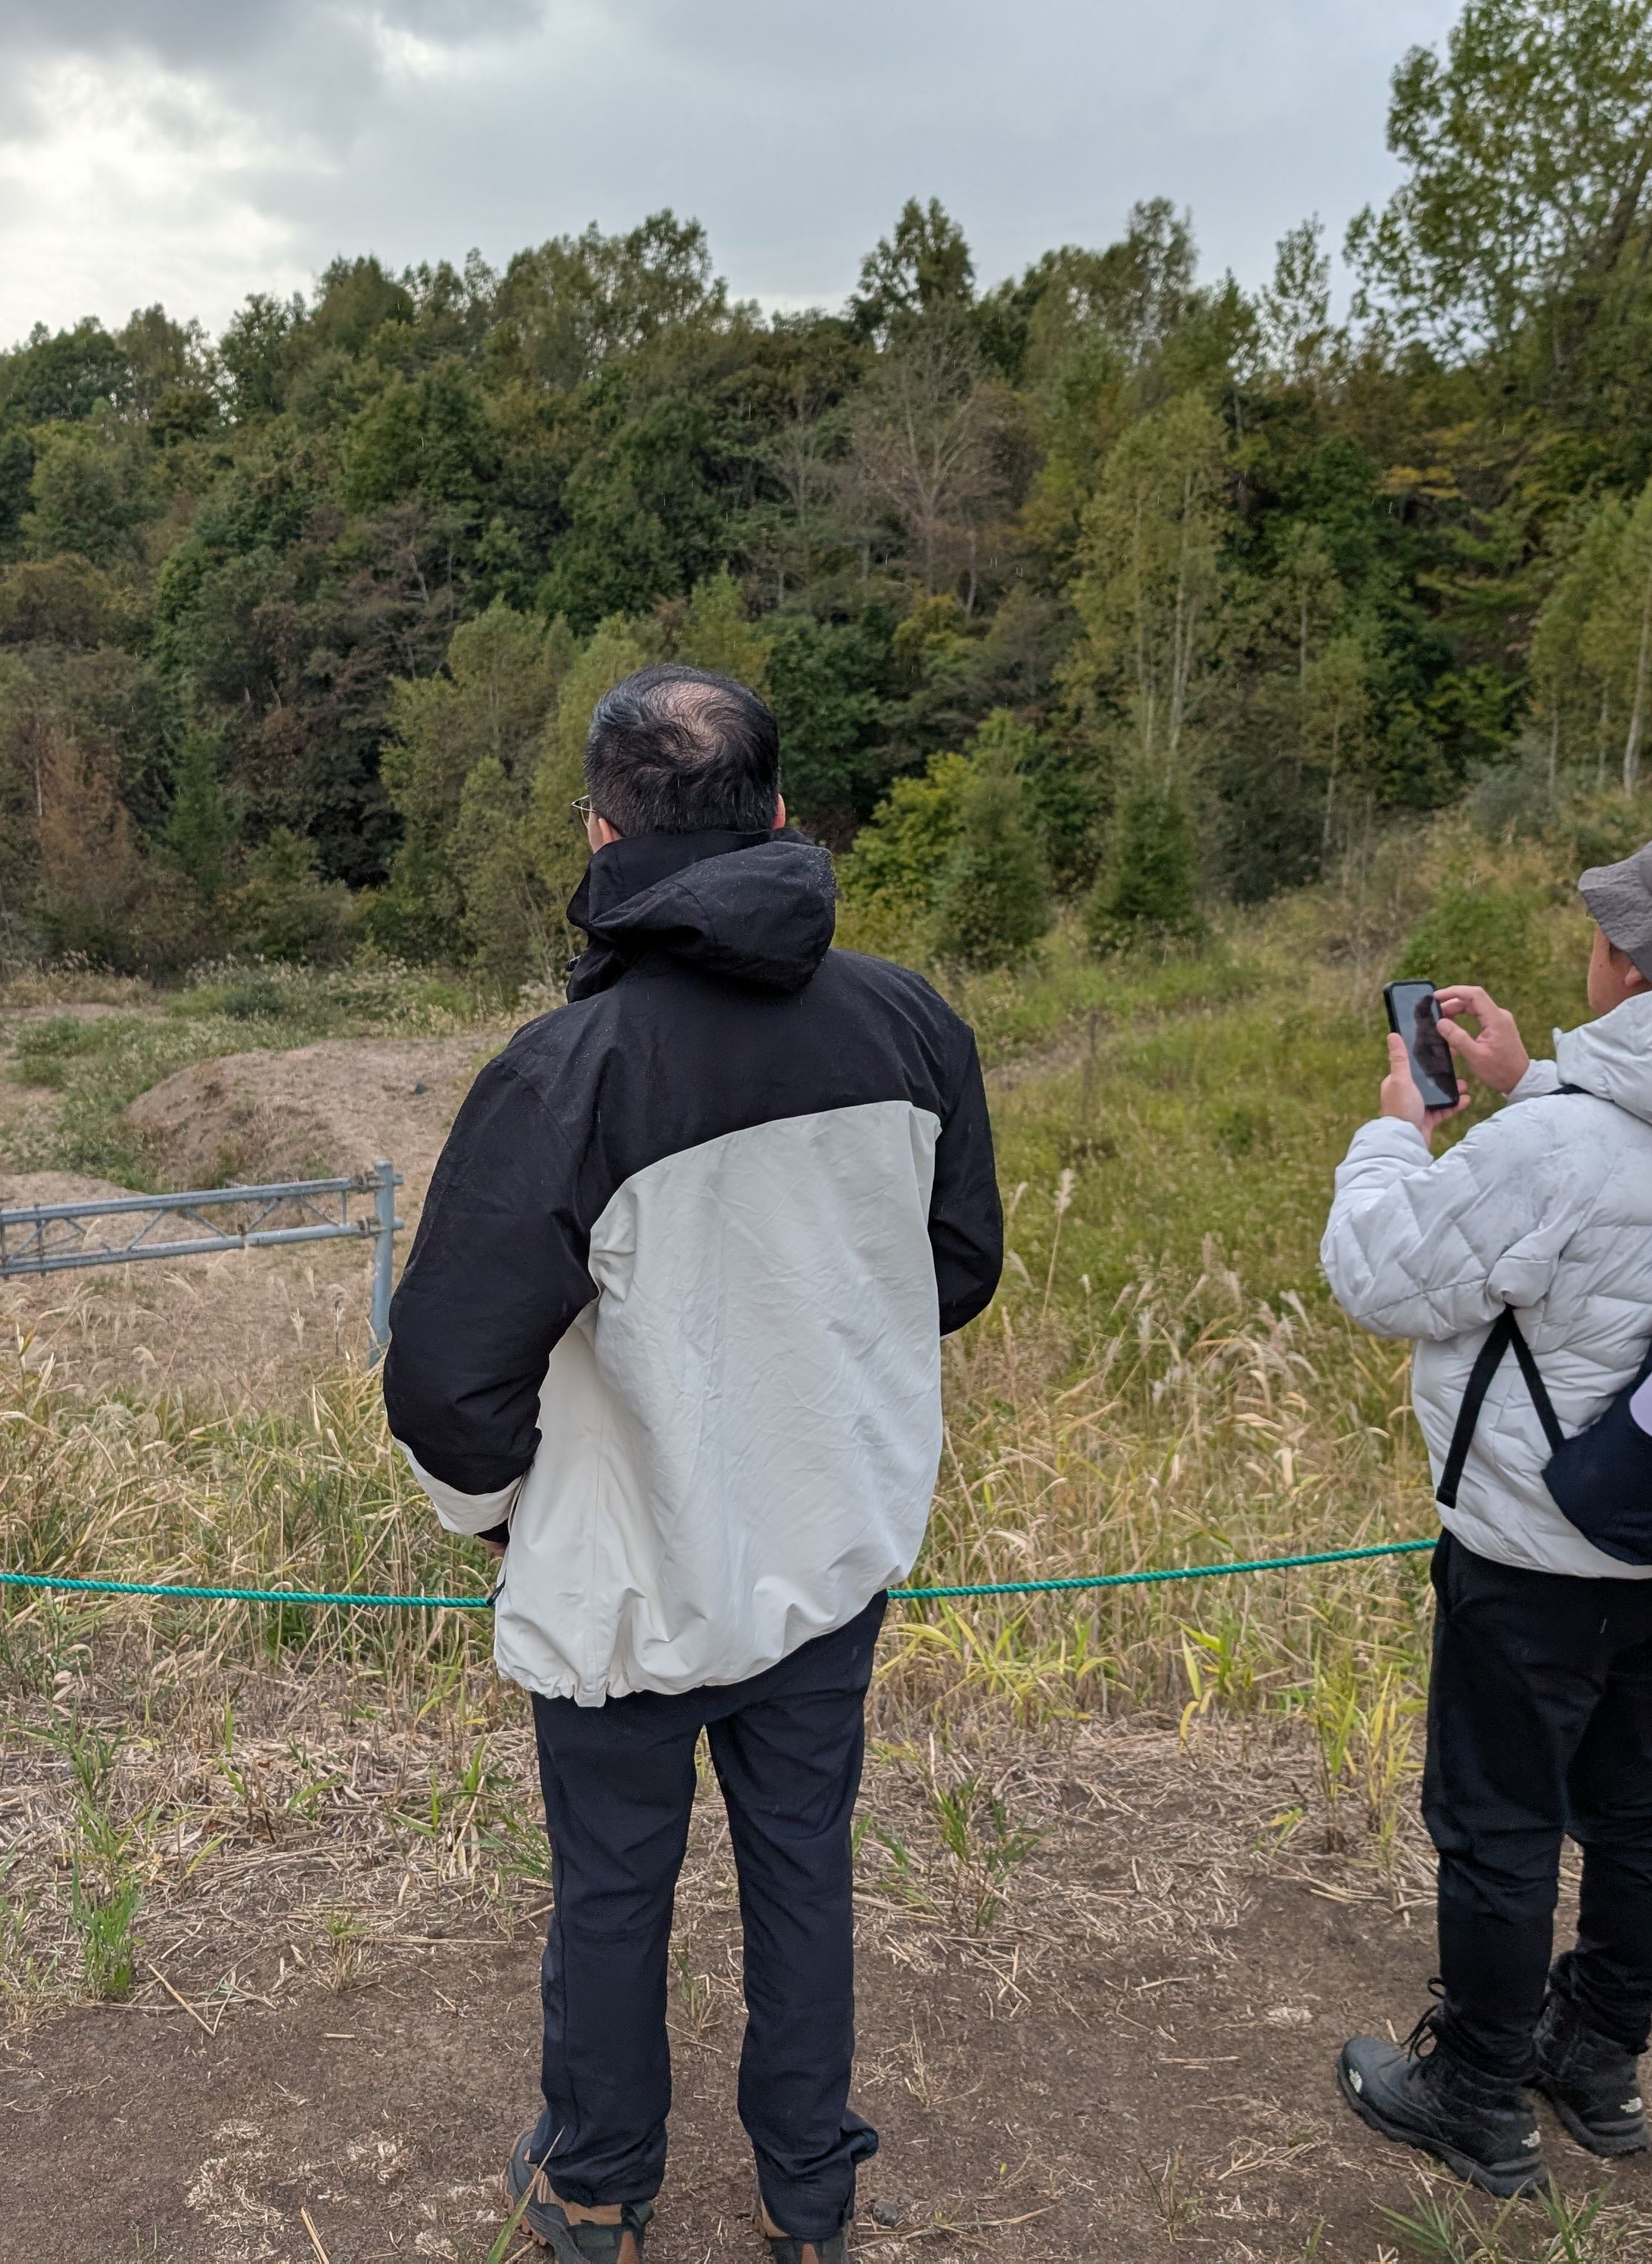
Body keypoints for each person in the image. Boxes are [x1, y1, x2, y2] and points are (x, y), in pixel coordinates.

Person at [383, 665, 1004, 2264]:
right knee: (805, 1872)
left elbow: (447, 1376)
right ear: (781, 818)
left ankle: (597, 2188)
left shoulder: (568, 1071)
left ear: (599, 835)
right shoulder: (910, 1023)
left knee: (612, 1893)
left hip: (634, 1575)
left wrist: (508, 1516)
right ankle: (811, 2199)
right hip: (836, 1544)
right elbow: (956, 1271)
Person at [1318, 797, 1652, 2196]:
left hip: (1539, 1547)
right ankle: (1598, 2063)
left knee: (1498, 1818)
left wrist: (1393, 1138)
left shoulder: (1557, 1152)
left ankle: (1478, 2093)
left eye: (1612, 930)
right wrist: (1522, 1085)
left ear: (1638, 958)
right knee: (1641, 1801)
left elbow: (1385, 1279)